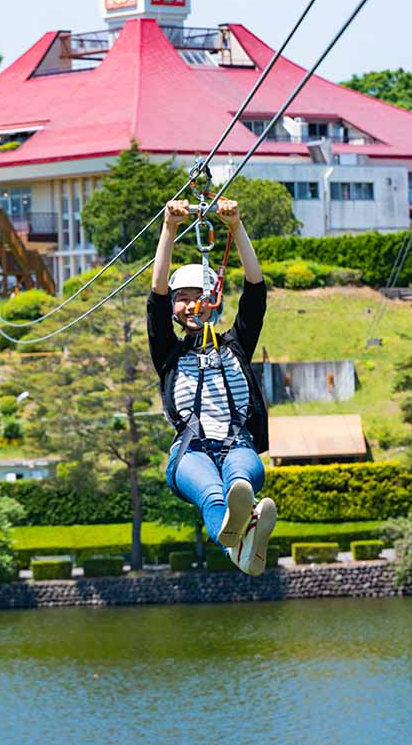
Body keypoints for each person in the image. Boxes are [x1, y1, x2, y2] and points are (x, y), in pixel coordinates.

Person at [147, 197, 276, 575]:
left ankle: (242, 544)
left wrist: (236, 226)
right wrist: (168, 229)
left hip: (238, 442)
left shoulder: (237, 344)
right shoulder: (169, 352)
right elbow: (155, 297)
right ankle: (237, 538)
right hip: (191, 453)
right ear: (174, 308)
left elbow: (255, 289)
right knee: (212, 493)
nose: (190, 306)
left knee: (241, 478)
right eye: (181, 300)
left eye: (197, 297)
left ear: (213, 301)